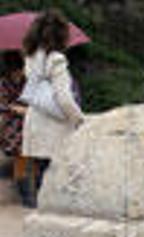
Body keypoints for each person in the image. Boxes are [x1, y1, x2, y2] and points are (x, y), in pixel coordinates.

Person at [20, 9, 84, 208]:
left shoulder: (30, 57)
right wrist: (80, 120)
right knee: (58, 182)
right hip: (54, 128)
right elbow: (64, 98)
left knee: (41, 179)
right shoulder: (56, 59)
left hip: (35, 124)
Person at [0, 51, 29, 205]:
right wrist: (14, 108)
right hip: (11, 122)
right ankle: (26, 194)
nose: (20, 73)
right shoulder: (3, 83)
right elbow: (2, 104)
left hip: (29, 121)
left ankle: (29, 186)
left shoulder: (27, 82)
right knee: (19, 144)